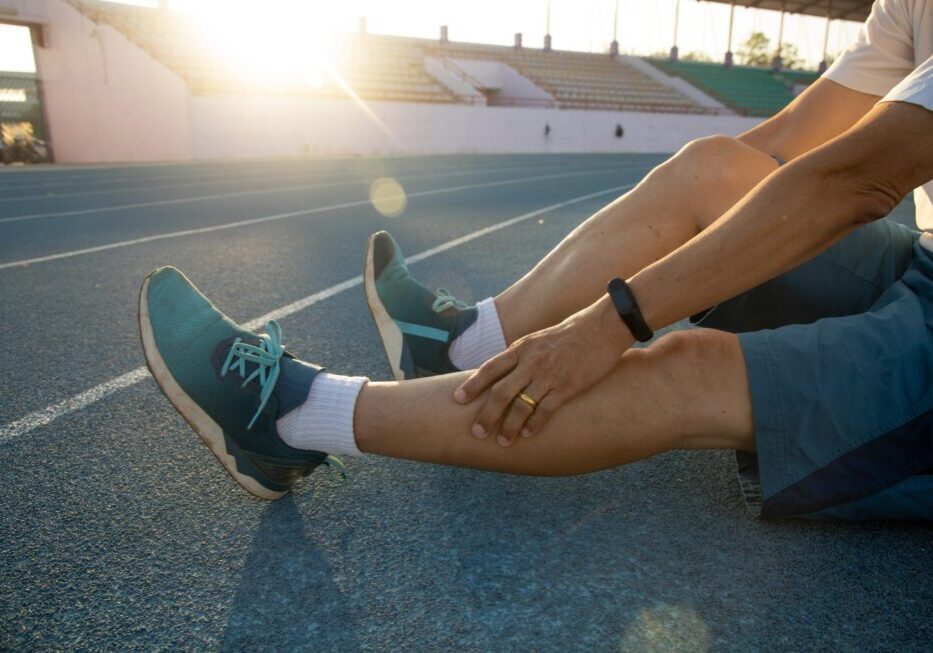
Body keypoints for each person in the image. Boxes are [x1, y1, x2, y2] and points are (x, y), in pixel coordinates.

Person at [140, 0, 933, 520]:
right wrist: (685, 210)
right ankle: (460, 345)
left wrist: (613, 319)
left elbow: (856, 180)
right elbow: (784, 147)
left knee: (686, 363)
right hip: (918, 261)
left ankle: (291, 418)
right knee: (713, 166)